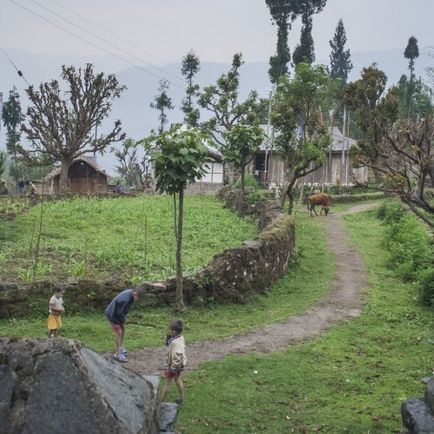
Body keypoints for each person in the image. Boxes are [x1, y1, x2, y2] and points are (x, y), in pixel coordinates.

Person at [105, 288, 145, 362]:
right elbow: (119, 312)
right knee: (119, 332)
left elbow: (123, 311)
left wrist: (123, 320)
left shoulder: (131, 294)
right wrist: (123, 320)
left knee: (123, 328)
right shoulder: (124, 300)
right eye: (139, 298)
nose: (138, 300)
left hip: (118, 313)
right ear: (135, 294)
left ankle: (120, 347)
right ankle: (117, 355)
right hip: (112, 314)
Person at [160, 319, 187, 405]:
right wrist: (167, 338)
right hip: (179, 365)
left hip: (173, 366)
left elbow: (176, 355)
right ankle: (181, 398)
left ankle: (160, 402)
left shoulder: (175, 343)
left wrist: (173, 369)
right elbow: (168, 344)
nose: (168, 331)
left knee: (167, 383)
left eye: (170, 329)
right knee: (177, 379)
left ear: (174, 331)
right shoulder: (179, 337)